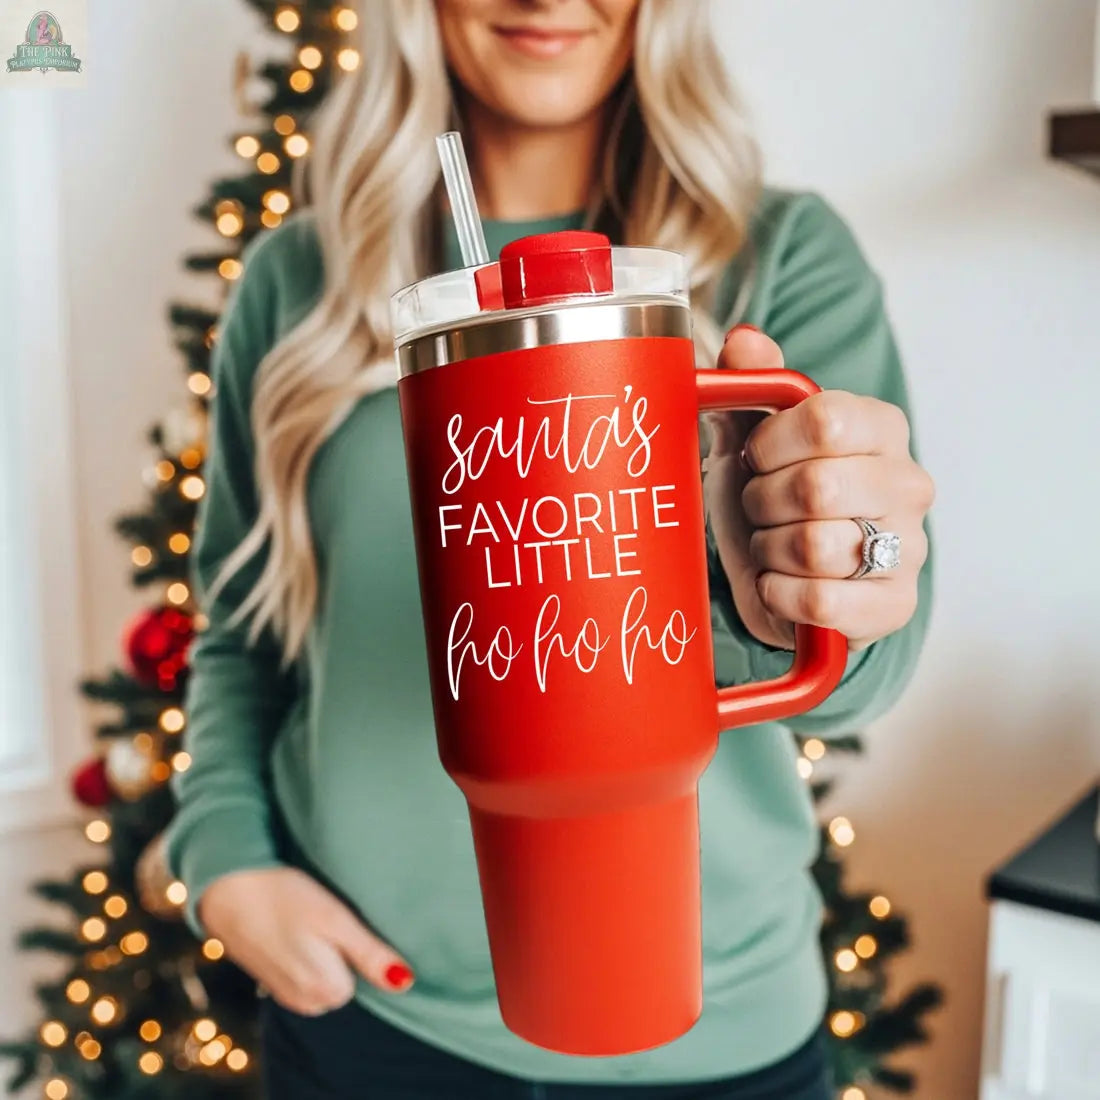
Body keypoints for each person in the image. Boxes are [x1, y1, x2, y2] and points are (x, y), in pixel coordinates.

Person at [166, 2, 936, 1098]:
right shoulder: (301, 278)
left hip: (719, 1042)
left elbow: (861, 671)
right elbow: (240, 635)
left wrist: (804, 590)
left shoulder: (783, 256)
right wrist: (226, 860)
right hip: (366, 1021)